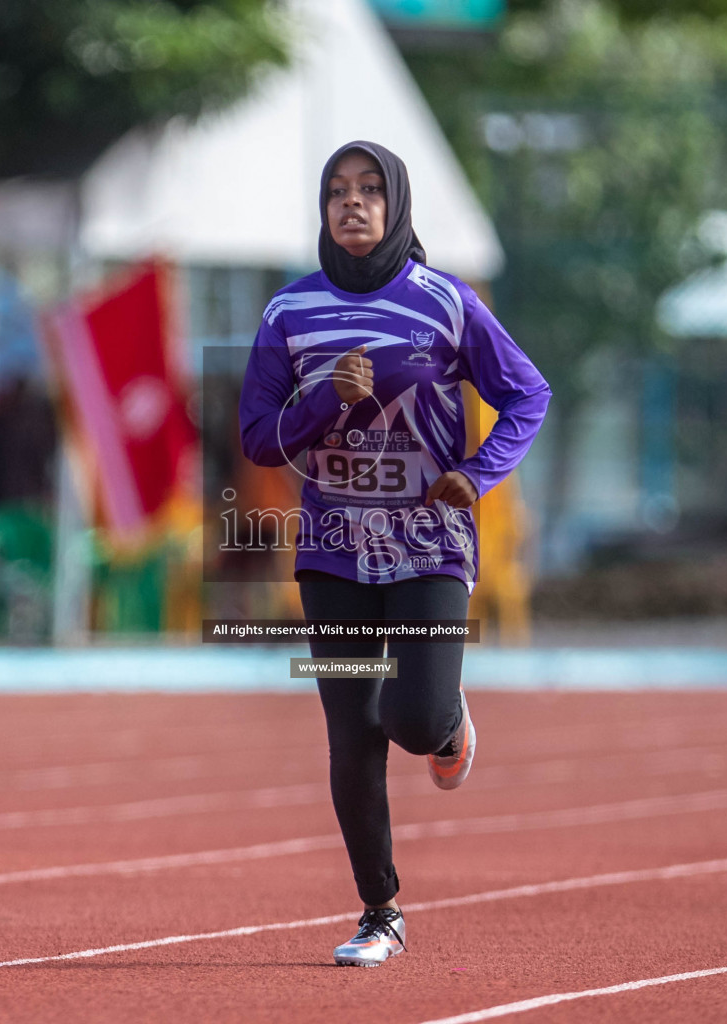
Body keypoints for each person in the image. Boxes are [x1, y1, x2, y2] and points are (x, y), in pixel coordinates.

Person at [238, 140, 551, 966]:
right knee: (350, 728)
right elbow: (257, 440)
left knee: (410, 719)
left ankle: (449, 723)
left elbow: (528, 393)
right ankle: (381, 911)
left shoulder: (447, 305)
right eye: (337, 190)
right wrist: (316, 406)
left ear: (397, 205)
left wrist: (476, 474)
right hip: (333, 548)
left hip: (428, 545)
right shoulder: (288, 315)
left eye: (370, 189)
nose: (352, 203)